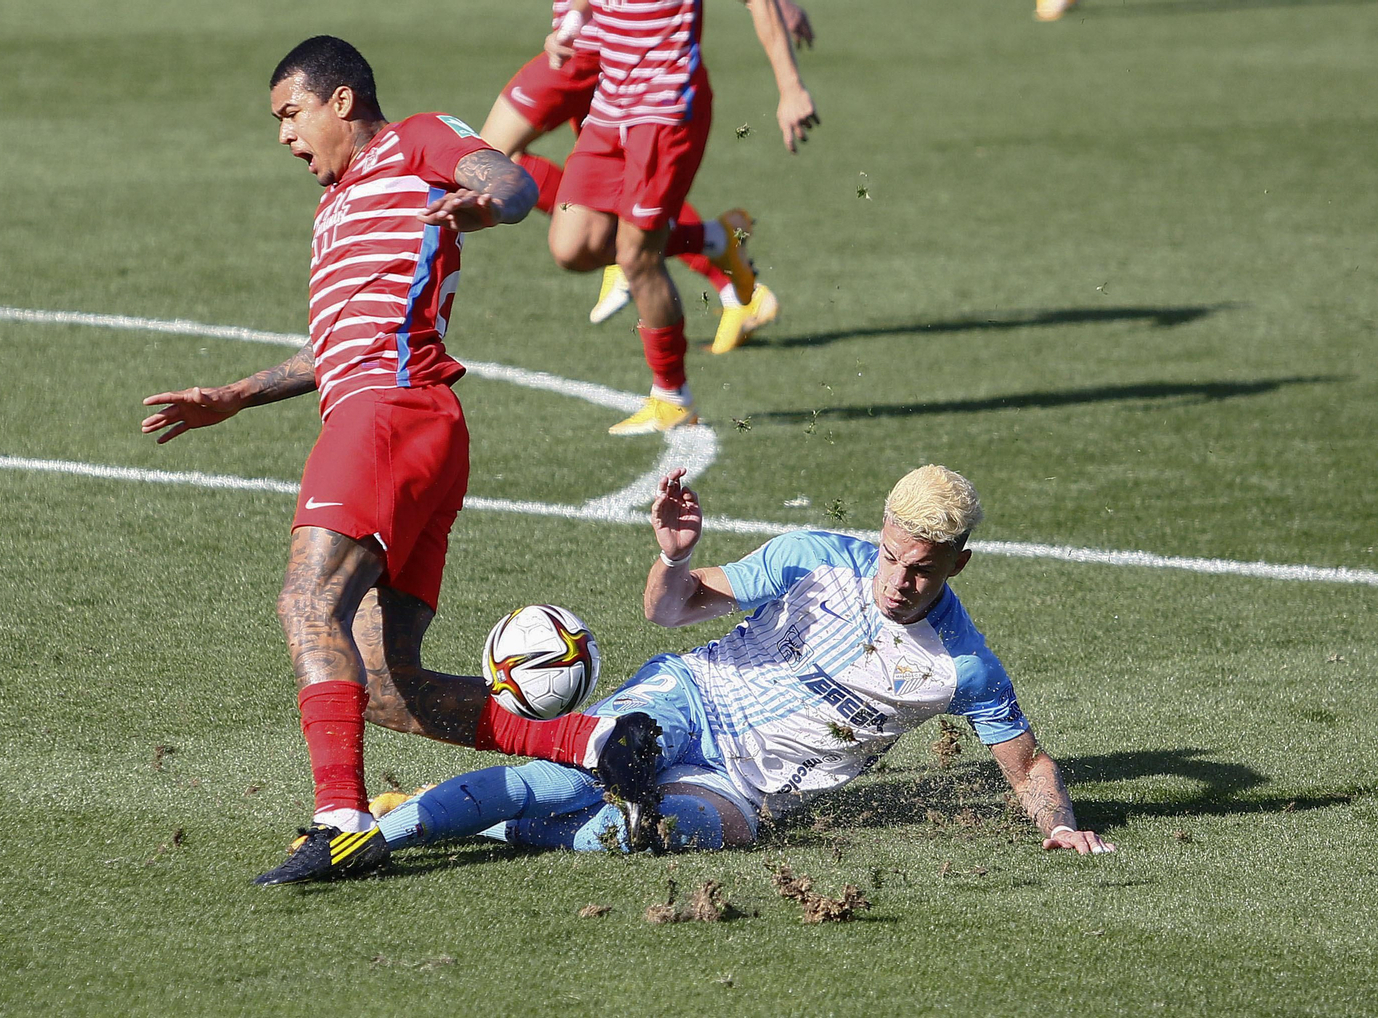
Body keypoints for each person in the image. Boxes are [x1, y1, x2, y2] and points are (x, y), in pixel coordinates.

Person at [140, 35, 662, 887]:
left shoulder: (415, 140)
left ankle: (341, 822)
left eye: (291, 114)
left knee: (308, 602)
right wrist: (234, 395)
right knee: (385, 682)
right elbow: (336, 344)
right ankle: (598, 742)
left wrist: (485, 204)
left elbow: (515, 184)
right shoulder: (333, 210)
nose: (284, 135)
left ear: (342, 100)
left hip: (391, 416)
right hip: (396, 422)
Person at [339, 465, 1116, 877]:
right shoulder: (812, 557)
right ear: (879, 531)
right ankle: (373, 837)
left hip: (747, 790)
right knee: (561, 781)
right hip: (691, 699)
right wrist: (674, 557)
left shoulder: (963, 665)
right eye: (890, 556)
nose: (898, 581)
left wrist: (1059, 826)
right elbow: (670, 610)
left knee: (637, 834)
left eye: (922, 569)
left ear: (958, 564)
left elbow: (1028, 765)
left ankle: (474, 816)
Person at [544, 0, 820, 435]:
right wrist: (573, 23)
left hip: (665, 109)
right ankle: (718, 239)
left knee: (637, 257)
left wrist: (791, 88)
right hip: (609, 105)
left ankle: (672, 397)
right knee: (573, 246)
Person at [479, 0, 814, 352]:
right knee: (612, 203)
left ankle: (714, 267)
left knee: (492, 156)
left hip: (599, 54)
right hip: (588, 45)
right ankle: (715, 249)